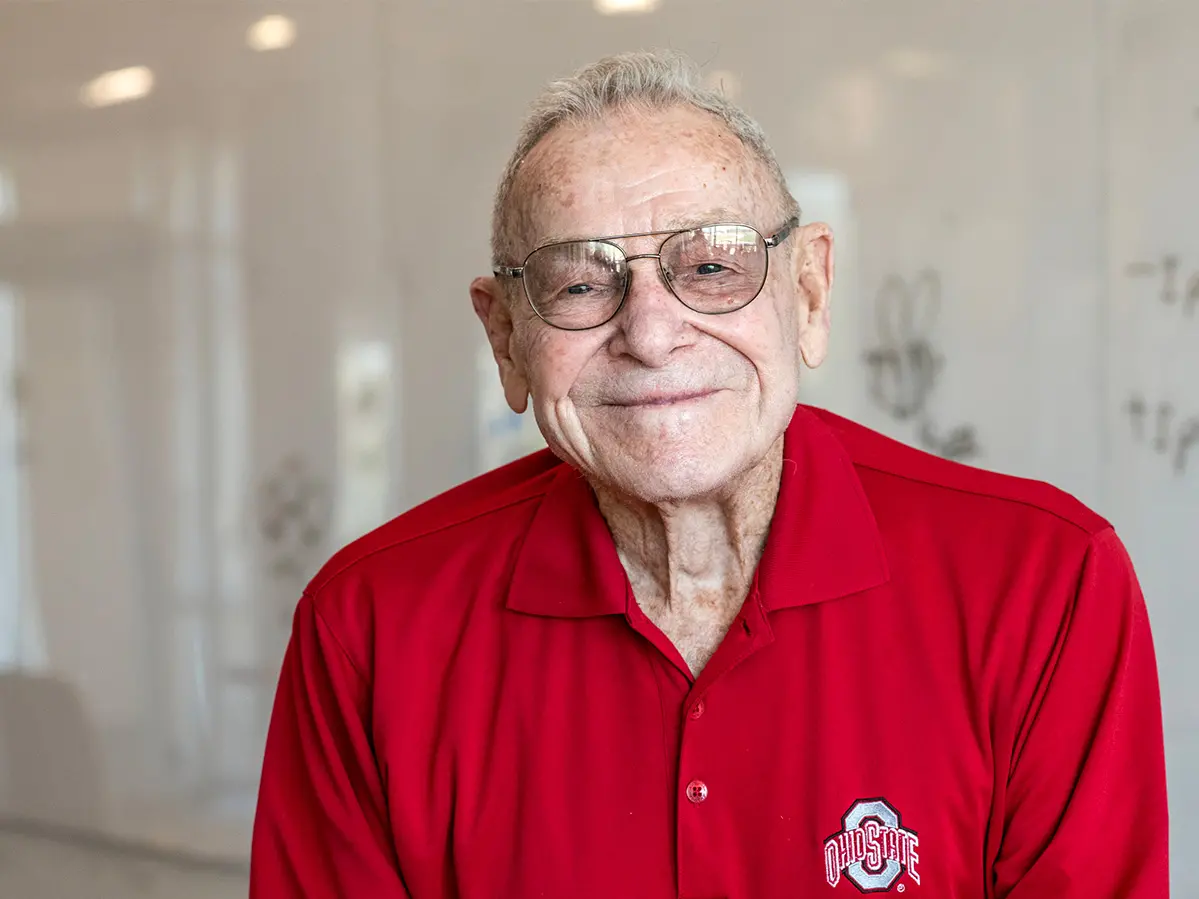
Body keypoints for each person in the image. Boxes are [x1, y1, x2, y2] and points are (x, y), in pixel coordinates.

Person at [250, 50, 1169, 898]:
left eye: (711, 266)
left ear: (807, 294)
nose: (650, 335)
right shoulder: (370, 628)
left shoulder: (1042, 585)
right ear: (505, 339)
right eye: (579, 283)